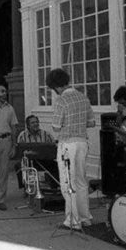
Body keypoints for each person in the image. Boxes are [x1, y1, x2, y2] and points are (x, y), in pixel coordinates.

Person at [46, 68, 96, 229]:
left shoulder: (61, 100)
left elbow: (55, 126)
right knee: (81, 181)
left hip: (67, 144)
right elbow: (91, 123)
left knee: (68, 182)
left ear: (56, 87)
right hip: (82, 142)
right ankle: (85, 217)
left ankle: (72, 221)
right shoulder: (83, 97)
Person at [14, 115, 58, 193]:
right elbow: (20, 151)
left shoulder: (46, 134)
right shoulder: (22, 136)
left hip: (45, 160)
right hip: (29, 161)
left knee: (55, 165)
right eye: (33, 123)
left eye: (37, 122)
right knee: (18, 166)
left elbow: (53, 148)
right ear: (28, 125)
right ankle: (26, 189)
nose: (36, 124)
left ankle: (54, 188)